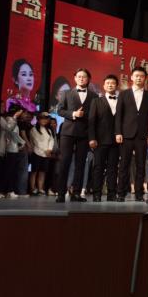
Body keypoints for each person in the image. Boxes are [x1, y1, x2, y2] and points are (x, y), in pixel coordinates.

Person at [56, 68, 98, 203]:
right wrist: (73, 114)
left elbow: (94, 117)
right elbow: (60, 110)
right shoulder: (67, 93)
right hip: (68, 132)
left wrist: (92, 136)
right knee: (65, 162)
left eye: (84, 76)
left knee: (81, 165)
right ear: (75, 78)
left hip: (84, 133)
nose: (81, 78)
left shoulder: (94, 96)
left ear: (88, 79)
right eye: (79, 76)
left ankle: (76, 193)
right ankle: (60, 193)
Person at [115, 66, 148, 202]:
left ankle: (139, 193)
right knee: (124, 165)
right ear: (131, 77)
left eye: (142, 76)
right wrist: (118, 132)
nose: (139, 78)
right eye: (136, 76)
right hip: (126, 134)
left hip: (142, 135)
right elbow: (119, 115)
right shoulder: (123, 94)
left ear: (145, 78)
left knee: (141, 165)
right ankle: (120, 193)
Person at [88, 74, 120, 202]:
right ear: (104, 85)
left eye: (113, 83)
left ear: (116, 86)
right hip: (100, 140)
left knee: (113, 168)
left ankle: (112, 193)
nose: (110, 85)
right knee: (98, 167)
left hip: (116, 141)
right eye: (108, 83)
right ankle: (97, 193)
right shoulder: (96, 101)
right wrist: (92, 138)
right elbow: (91, 121)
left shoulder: (121, 101)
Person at [0, 105, 26, 198]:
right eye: (22, 112)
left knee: (10, 171)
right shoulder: (10, 120)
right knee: (8, 171)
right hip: (10, 149)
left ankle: (8, 190)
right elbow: (12, 133)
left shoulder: (10, 120)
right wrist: (22, 142)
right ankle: (6, 190)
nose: (24, 114)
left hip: (12, 148)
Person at [28, 112, 55, 196]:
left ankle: (40, 189)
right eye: (42, 118)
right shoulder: (34, 129)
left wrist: (49, 149)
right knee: (34, 172)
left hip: (46, 155)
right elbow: (37, 141)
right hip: (36, 153)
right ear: (38, 119)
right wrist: (46, 150)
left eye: (46, 119)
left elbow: (51, 140)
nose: (44, 120)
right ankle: (33, 189)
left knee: (42, 172)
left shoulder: (49, 130)